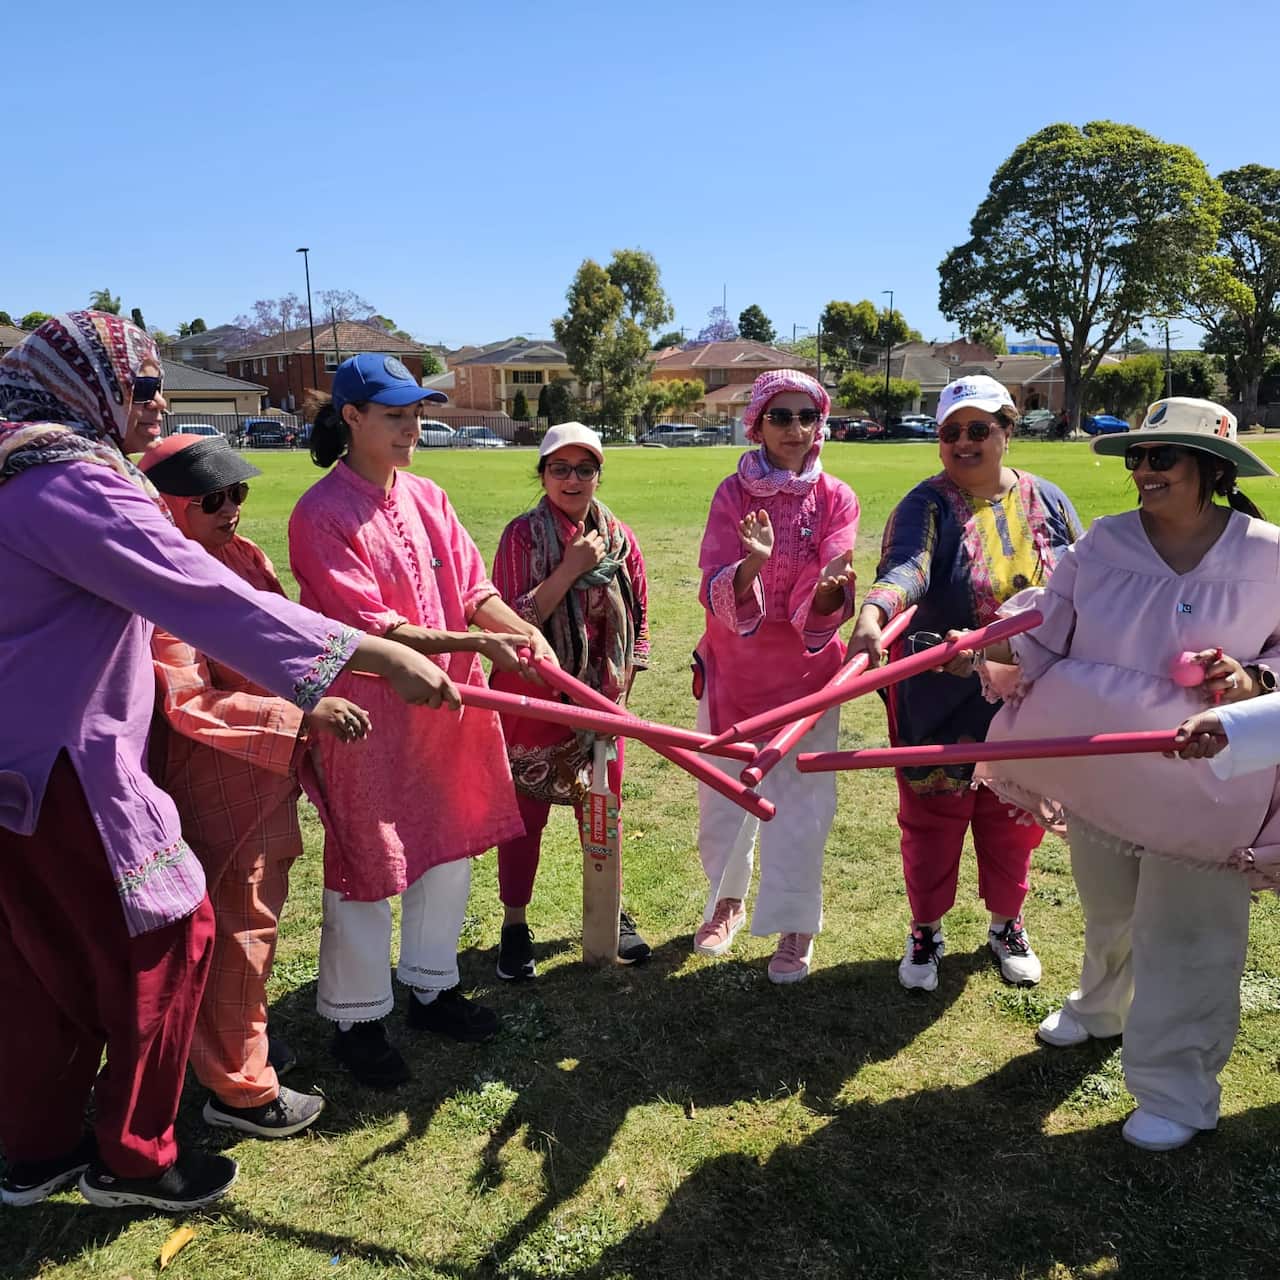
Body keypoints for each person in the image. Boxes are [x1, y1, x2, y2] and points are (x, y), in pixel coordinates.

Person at [0, 314, 460, 1211]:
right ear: (88, 392)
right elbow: (201, 594)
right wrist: (373, 656)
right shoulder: (69, 481)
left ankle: (33, 1151)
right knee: (168, 945)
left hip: (19, 770)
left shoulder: (11, 469)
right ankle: (135, 1162)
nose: (159, 402)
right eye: (143, 389)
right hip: (70, 771)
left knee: (39, 962)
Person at [973, 396, 1280, 1151]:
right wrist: (994, 650)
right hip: (1105, 762)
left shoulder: (1270, 554)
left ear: (1210, 468)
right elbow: (1046, 631)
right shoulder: (1103, 544)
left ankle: (1177, 1087)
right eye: (1136, 456)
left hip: (1208, 778)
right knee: (1108, 903)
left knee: (1189, 931)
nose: (1142, 470)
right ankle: (1102, 1005)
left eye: (1161, 458)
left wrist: (1250, 682)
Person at [288, 353, 557, 1089]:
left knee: (446, 851)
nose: (413, 427)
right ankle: (357, 1016)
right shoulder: (319, 513)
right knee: (369, 862)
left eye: (416, 413)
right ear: (351, 418)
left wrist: (518, 631)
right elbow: (367, 628)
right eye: (394, 415)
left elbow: (473, 589)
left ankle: (434, 985)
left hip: (451, 712)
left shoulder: (430, 496)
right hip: (371, 719)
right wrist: (479, 641)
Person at [140, 434, 369, 1140]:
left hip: (267, 776)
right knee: (239, 930)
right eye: (211, 499)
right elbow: (187, 701)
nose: (232, 508)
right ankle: (240, 1090)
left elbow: (286, 636)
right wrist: (299, 713)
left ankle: (241, 1046)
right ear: (165, 507)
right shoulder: (160, 587)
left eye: (237, 492)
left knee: (255, 925)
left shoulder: (242, 558)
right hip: (219, 784)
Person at [847, 375, 1083, 993]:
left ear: (1008, 429)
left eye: (979, 429)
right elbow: (908, 567)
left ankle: (1007, 924)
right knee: (933, 818)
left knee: (1014, 818)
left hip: (1029, 696)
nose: (964, 442)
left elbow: (1082, 582)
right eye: (951, 432)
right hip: (938, 692)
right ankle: (925, 928)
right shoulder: (924, 505)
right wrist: (873, 612)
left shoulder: (1050, 501)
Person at [692, 369, 858, 984]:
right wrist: (750, 565)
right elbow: (715, 580)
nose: (795, 429)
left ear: (821, 423)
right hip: (732, 670)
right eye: (780, 416)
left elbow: (826, 583)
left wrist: (828, 596)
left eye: (806, 416)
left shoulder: (837, 496)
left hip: (810, 677)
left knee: (803, 803)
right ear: (756, 422)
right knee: (724, 796)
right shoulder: (731, 493)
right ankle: (726, 904)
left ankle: (795, 926)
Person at [490, 423, 651, 980]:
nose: (573, 479)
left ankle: (609, 914)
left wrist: (621, 688)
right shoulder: (520, 537)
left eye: (585, 468)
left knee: (603, 811)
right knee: (523, 819)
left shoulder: (621, 538)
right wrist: (571, 568)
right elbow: (511, 621)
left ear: (599, 474)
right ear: (542, 474)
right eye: (560, 468)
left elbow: (642, 622)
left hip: (601, 705)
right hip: (532, 701)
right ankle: (515, 925)